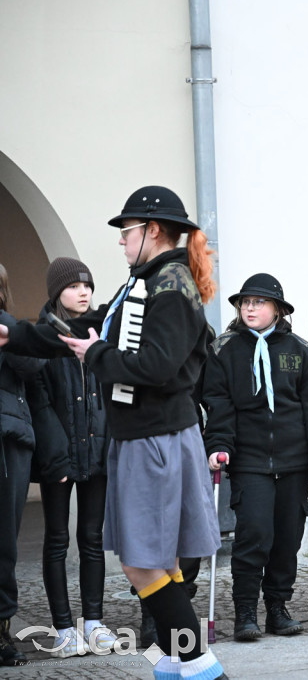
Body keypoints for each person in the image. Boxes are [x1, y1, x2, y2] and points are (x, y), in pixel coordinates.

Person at [0, 186, 226, 679]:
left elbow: (159, 367)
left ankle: (203, 668)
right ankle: (174, 665)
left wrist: (97, 356)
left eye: (127, 233)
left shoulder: (169, 286)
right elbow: (86, 327)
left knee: (143, 565)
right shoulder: (147, 280)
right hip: (147, 437)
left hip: (156, 438)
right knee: (158, 565)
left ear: (154, 231)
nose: (122, 243)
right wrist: (14, 334)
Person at [203, 274, 308, 641]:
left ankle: (278, 607)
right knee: (254, 536)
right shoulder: (224, 350)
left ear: (277, 309)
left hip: (294, 462)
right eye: (245, 302)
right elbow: (218, 404)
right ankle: (246, 612)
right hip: (249, 461)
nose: (250, 308)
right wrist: (219, 445)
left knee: (286, 540)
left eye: (259, 302)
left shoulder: (301, 350)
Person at [30, 258, 114, 657]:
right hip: (59, 458)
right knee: (58, 540)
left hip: (97, 453)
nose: (84, 292)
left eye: (88, 286)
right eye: (75, 286)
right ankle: (64, 628)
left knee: (93, 538)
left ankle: (94, 623)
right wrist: (55, 455)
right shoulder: (44, 337)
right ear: (57, 292)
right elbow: (41, 403)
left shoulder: (101, 332)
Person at [0, 264, 44, 668]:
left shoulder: (10, 329)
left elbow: (34, 366)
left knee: (3, 545)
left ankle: (0, 631)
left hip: (7, 445)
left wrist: (8, 333)